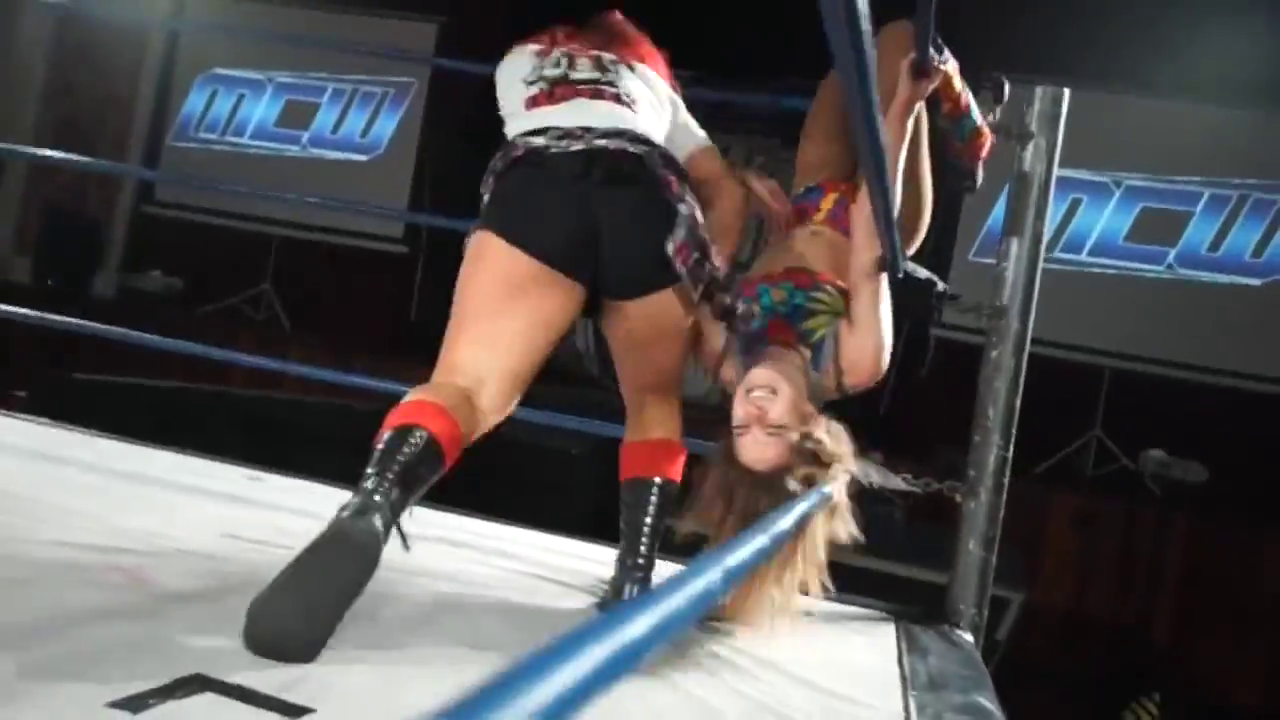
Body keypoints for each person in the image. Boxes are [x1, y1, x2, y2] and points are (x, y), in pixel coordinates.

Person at [242, 11, 779, 663]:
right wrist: (709, 275)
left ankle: (375, 502)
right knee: (652, 399)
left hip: (540, 178)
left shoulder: (518, 59)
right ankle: (633, 578)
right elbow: (723, 189)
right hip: (646, 192)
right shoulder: (652, 83)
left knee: (467, 387)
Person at [678, 21, 993, 624]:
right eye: (774, 428)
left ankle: (945, 102)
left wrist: (750, 212)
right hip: (876, 221)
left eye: (742, 428)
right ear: (809, 424)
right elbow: (871, 237)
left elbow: (706, 259)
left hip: (807, 205)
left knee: (851, 54)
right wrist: (903, 111)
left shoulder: (721, 353)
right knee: (902, 43)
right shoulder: (853, 360)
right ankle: (968, 130)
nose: (754, 410)